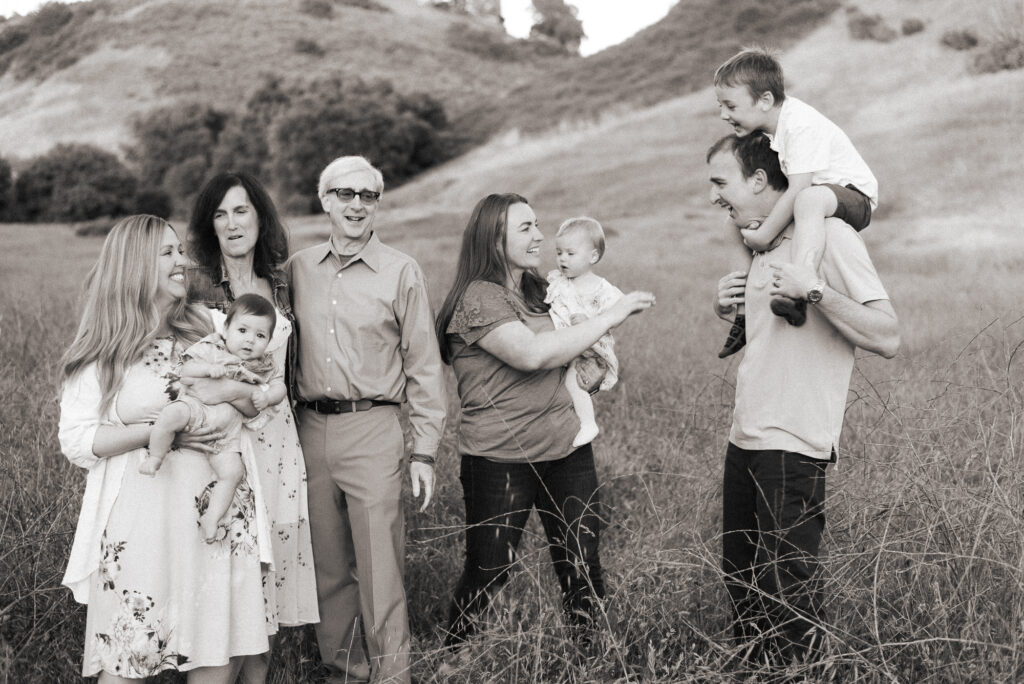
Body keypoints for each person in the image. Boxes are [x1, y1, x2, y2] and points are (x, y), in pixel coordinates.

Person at [708, 134, 899, 668]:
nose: (714, 198)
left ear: (761, 181)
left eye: (721, 183)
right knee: (744, 587)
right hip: (745, 436)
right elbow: (776, 338)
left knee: (788, 596)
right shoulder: (761, 244)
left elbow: (887, 336)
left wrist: (815, 289)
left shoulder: (831, 237)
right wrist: (731, 308)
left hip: (793, 442)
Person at [434, 194, 655, 649]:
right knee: (490, 569)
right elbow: (533, 355)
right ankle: (453, 657)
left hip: (567, 449)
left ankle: (589, 656)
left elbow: (575, 346)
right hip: (500, 457)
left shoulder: (543, 288)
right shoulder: (478, 298)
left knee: (581, 563)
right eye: (525, 228)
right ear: (493, 240)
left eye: (537, 224)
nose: (539, 235)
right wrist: (615, 313)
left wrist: (592, 368)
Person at [59, 215, 272, 682]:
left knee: (215, 653)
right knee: (128, 657)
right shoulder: (104, 349)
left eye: (182, 251)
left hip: (215, 517)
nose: (184, 262)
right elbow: (78, 441)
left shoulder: (210, 327)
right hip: (142, 522)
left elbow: (261, 381)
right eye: (169, 253)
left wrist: (227, 395)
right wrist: (157, 430)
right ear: (135, 264)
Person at [287, 155, 446, 684]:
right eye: (345, 194)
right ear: (325, 199)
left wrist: (423, 450)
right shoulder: (297, 269)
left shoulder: (401, 271)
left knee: (380, 568)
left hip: (374, 429)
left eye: (368, 196)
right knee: (328, 568)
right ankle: (344, 673)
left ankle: (393, 676)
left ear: (377, 203)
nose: (357, 205)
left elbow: (424, 366)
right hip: (308, 430)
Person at [187, 171, 319, 681]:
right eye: (219, 214)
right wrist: (233, 394)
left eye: (241, 210)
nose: (231, 222)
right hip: (223, 445)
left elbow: (291, 370)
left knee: (268, 594)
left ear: (260, 217)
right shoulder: (197, 285)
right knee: (230, 582)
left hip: (279, 439)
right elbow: (191, 376)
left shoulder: (282, 281)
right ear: (209, 226)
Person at [713, 46, 879, 357]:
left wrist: (763, 236)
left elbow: (801, 185)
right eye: (720, 105)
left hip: (853, 196)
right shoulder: (773, 131)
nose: (724, 114)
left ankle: (801, 288)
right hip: (816, 197)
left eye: (730, 106)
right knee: (732, 223)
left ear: (764, 100)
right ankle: (744, 313)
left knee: (808, 200)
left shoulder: (799, 124)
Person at [141, 294, 282, 543]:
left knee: (233, 472)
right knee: (170, 415)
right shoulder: (212, 348)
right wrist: (207, 369)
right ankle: (155, 456)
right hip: (198, 409)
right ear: (226, 330)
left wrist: (269, 396)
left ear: (269, 342)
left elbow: (279, 387)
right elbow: (185, 372)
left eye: (260, 336)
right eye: (242, 330)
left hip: (227, 431)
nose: (250, 339)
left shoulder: (263, 365)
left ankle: (212, 518)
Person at [544, 216, 624, 447]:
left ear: (593, 257)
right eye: (559, 253)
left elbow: (617, 312)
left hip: (588, 350)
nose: (562, 259)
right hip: (562, 345)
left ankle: (588, 423)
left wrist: (589, 320)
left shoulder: (602, 288)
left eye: (570, 253)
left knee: (573, 381)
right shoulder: (559, 282)